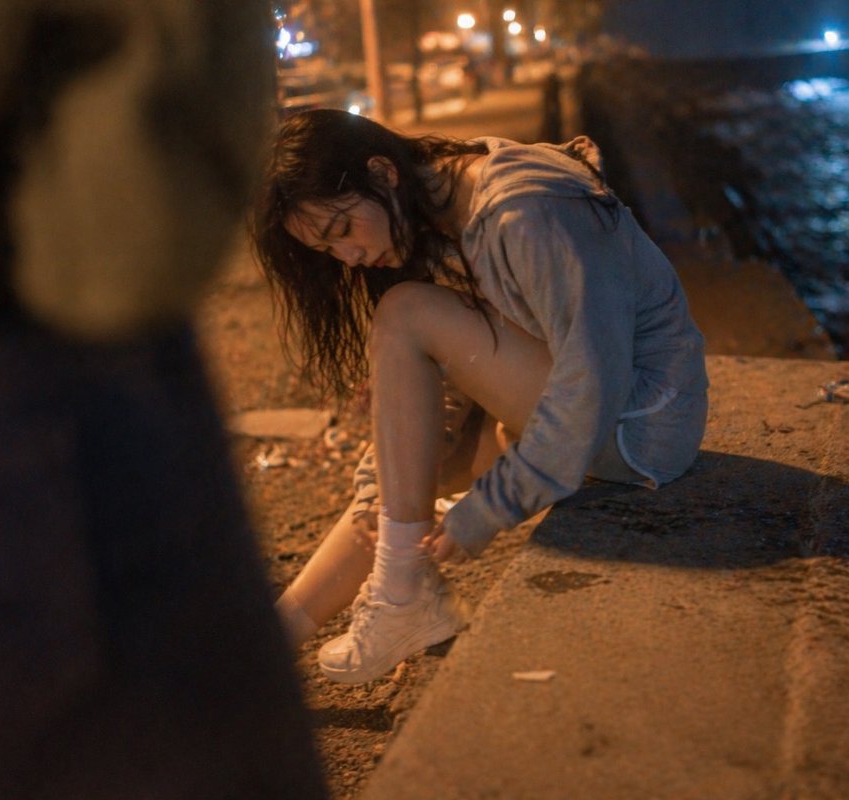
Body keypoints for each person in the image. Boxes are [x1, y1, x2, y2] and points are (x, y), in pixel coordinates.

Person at [252, 108, 708, 685]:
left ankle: (400, 599)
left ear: (382, 171)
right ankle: (266, 654)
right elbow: (444, 391)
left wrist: (483, 512)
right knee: (398, 497)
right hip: (572, 417)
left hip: (640, 425)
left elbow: (590, 384)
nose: (348, 258)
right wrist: (386, 492)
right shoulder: (439, 211)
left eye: (342, 230)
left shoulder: (524, 213)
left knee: (403, 314)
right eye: (328, 250)